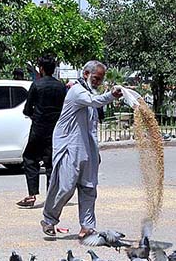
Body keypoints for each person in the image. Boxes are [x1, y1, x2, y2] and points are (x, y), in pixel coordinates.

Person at [40, 60, 123, 239]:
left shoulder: (88, 91)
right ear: (86, 74)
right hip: (70, 148)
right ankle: (49, 219)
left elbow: (92, 126)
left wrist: (95, 152)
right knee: (65, 187)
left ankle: (87, 226)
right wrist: (111, 95)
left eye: (100, 79)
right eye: (96, 78)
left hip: (87, 149)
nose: (98, 82)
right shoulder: (77, 91)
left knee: (88, 188)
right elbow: (94, 101)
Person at [16, 55, 67, 208]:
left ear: (41, 69)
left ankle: (32, 194)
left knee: (30, 158)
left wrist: (35, 116)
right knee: (51, 163)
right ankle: (52, 197)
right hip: (55, 130)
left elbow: (27, 109)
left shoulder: (36, 85)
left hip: (38, 129)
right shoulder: (61, 86)